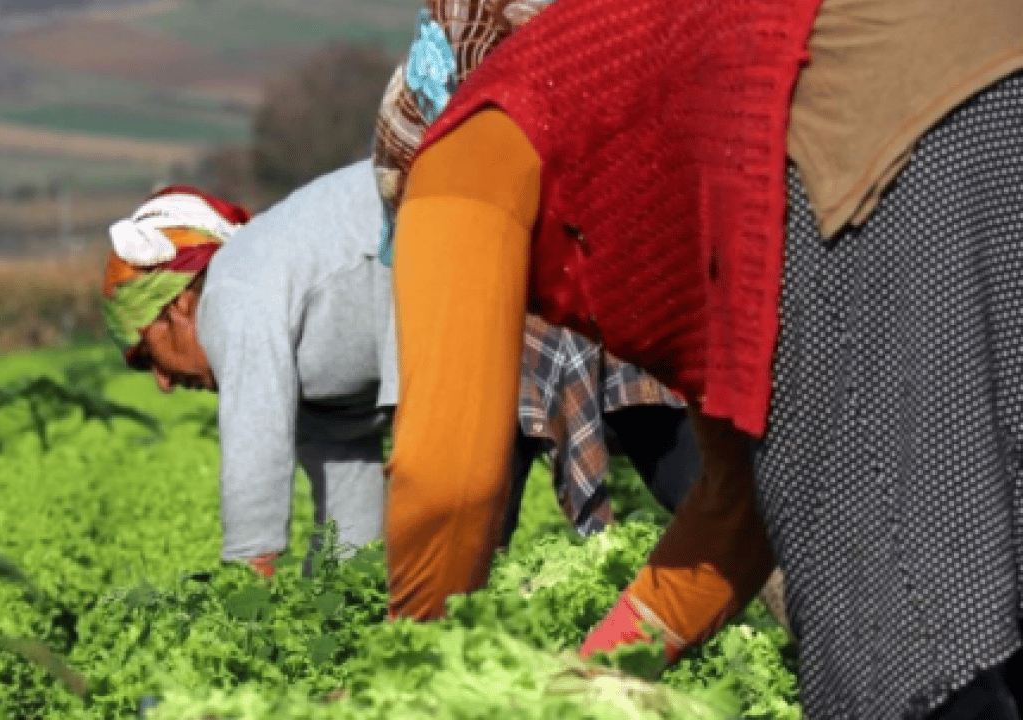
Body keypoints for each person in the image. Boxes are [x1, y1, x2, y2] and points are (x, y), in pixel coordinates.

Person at [377, 0, 1023, 718]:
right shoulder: (656, 104)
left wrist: (414, 678)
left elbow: (446, 482)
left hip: (866, 101)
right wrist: (590, 681)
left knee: (889, 617)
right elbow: (740, 505)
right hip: (991, 52)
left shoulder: (457, 152)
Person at [100, 160, 701, 577]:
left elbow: (255, 453)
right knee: (469, 548)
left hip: (496, 275)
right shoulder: (282, 321)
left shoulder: (234, 289)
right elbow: (347, 481)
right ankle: (765, 543)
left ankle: (767, 549)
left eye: (147, 355)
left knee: (467, 546)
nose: (161, 382)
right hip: (479, 303)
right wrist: (337, 604)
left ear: (178, 304)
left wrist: (244, 598)